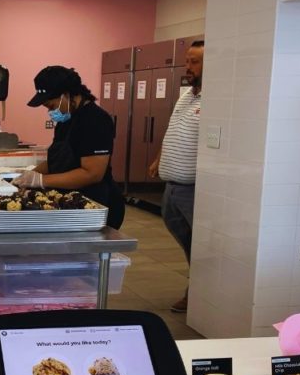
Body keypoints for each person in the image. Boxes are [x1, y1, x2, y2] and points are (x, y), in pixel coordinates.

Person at [13, 66, 125, 229]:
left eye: (51, 106)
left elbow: (92, 173)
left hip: (94, 205)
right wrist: (30, 175)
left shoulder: (96, 120)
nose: (51, 112)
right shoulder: (66, 121)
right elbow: (56, 161)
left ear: (67, 94)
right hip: (68, 201)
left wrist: (41, 180)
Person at [148, 40, 204, 314]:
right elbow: (174, 129)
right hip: (172, 184)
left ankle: (198, 291)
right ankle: (199, 286)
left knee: (201, 245)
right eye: (188, 60)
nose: (188, 67)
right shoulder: (187, 95)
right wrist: (160, 158)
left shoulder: (217, 100)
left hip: (194, 189)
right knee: (185, 238)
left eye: (195, 61)